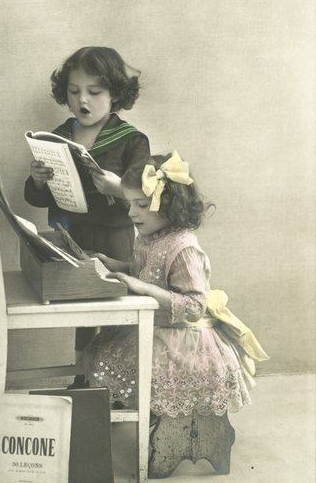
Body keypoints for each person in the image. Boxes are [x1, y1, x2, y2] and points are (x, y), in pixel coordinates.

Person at [80, 151, 269, 420]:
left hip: (183, 337)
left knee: (130, 362)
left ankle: (158, 423)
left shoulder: (183, 249)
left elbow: (194, 305)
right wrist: (116, 265)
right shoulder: (151, 235)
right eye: (130, 204)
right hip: (157, 325)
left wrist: (144, 289)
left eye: (142, 205)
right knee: (102, 351)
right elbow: (147, 272)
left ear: (168, 206)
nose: (132, 212)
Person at [24, 46, 151, 378]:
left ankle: (117, 384)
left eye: (94, 92)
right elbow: (34, 198)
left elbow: (148, 200)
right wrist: (38, 181)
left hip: (115, 239)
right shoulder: (59, 135)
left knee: (115, 311)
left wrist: (119, 188)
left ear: (115, 95)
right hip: (71, 236)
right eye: (74, 91)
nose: (83, 100)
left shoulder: (131, 140)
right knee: (82, 314)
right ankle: (84, 377)